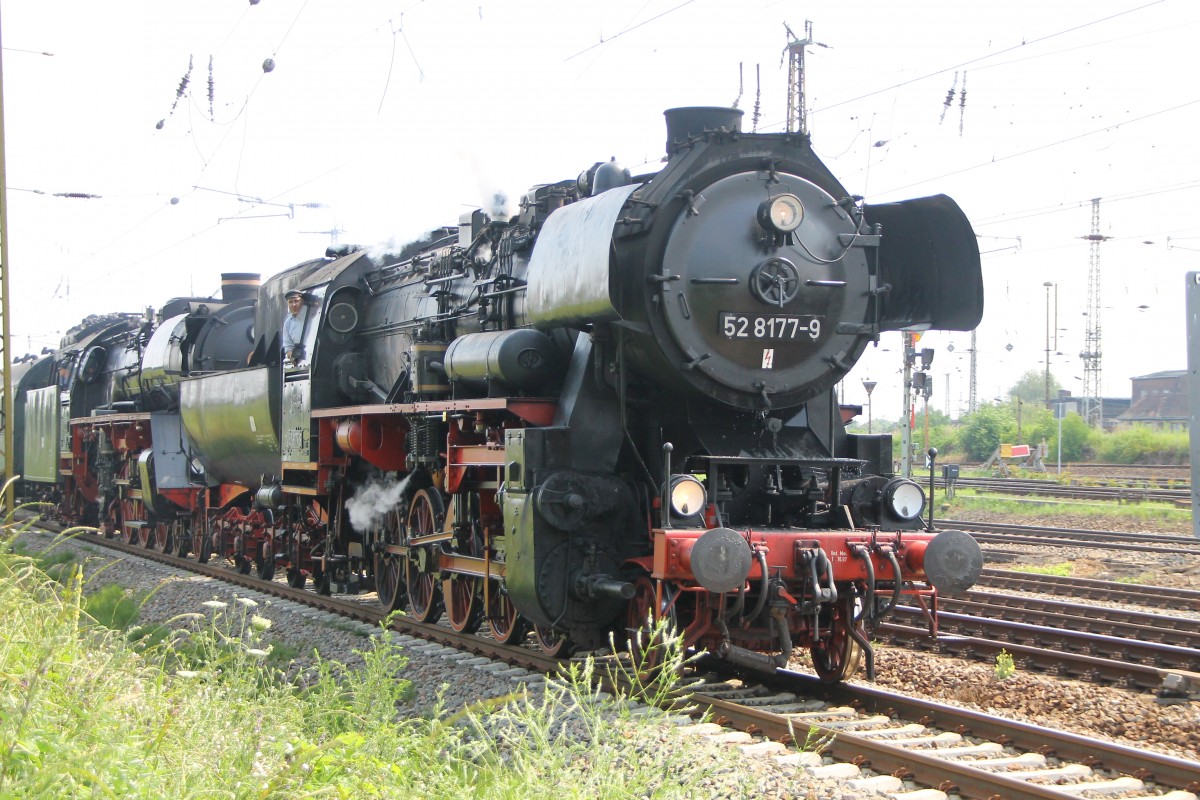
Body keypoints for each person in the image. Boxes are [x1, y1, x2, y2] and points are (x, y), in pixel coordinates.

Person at [281, 289, 308, 364]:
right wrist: (292, 357)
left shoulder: (310, 316)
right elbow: (288, 347)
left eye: (296, 301)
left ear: (302, 301)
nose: (294, 305)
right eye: (290, 302)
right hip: (301, 361)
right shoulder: (288, 323)